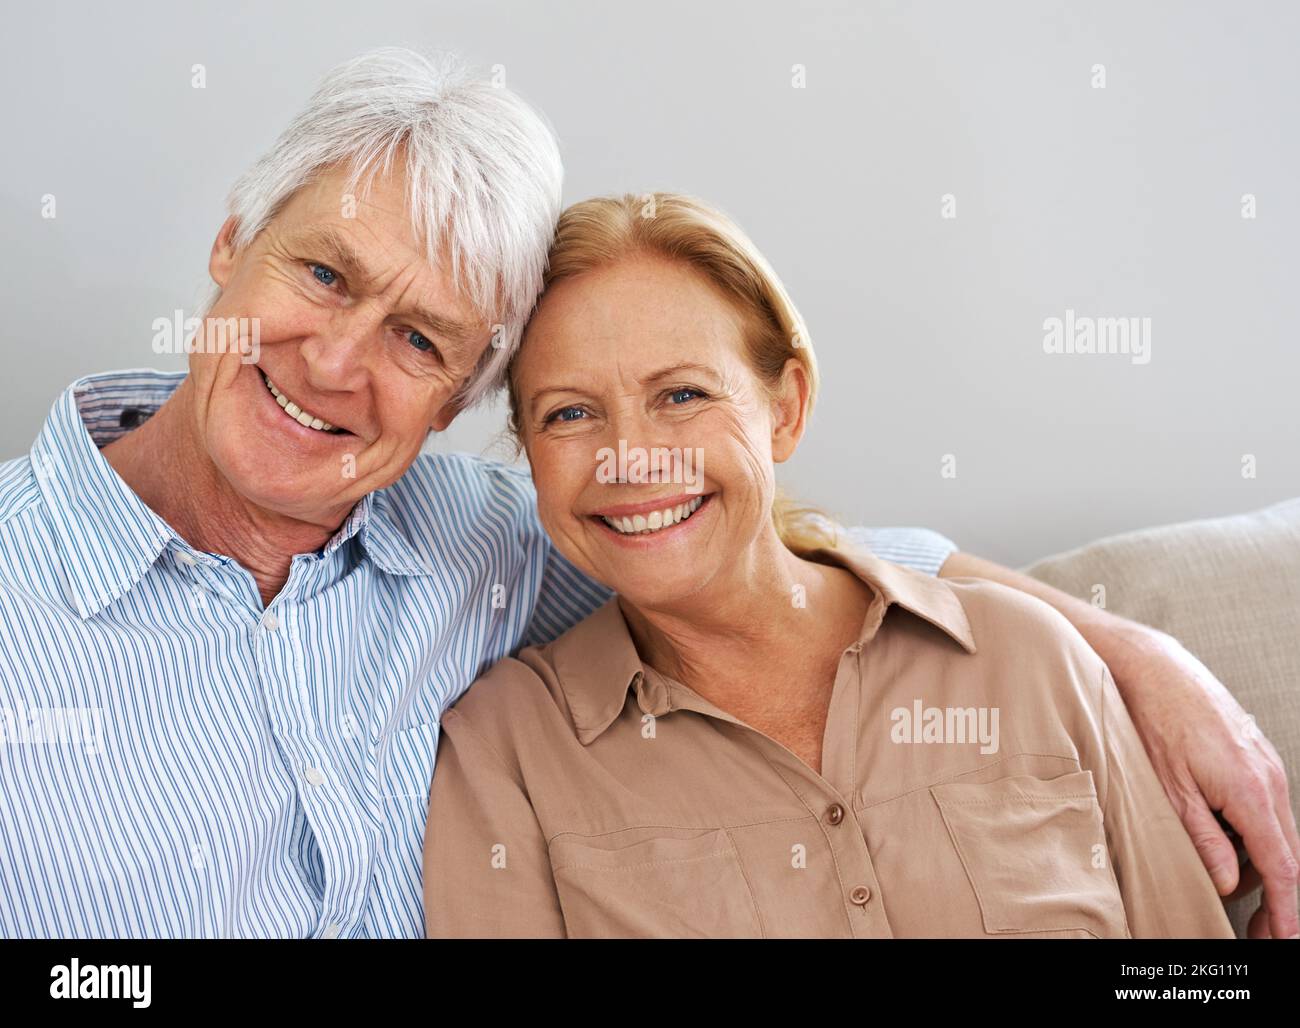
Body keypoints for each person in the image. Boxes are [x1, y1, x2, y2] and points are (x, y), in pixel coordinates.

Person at [0, 49, 1292, 939]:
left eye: (421, 341)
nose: (337, 366)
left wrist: (1125, 645)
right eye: (324, 275)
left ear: (458, 401)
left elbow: (774, 558)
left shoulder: (481, 543)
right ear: (233, 243)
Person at [422, 194, 1241, 938]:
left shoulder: (1029, 659)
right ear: (528, 457)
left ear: (786, 409)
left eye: (682, 396)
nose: (631, 460)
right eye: (570, 414)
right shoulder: (506, 754)